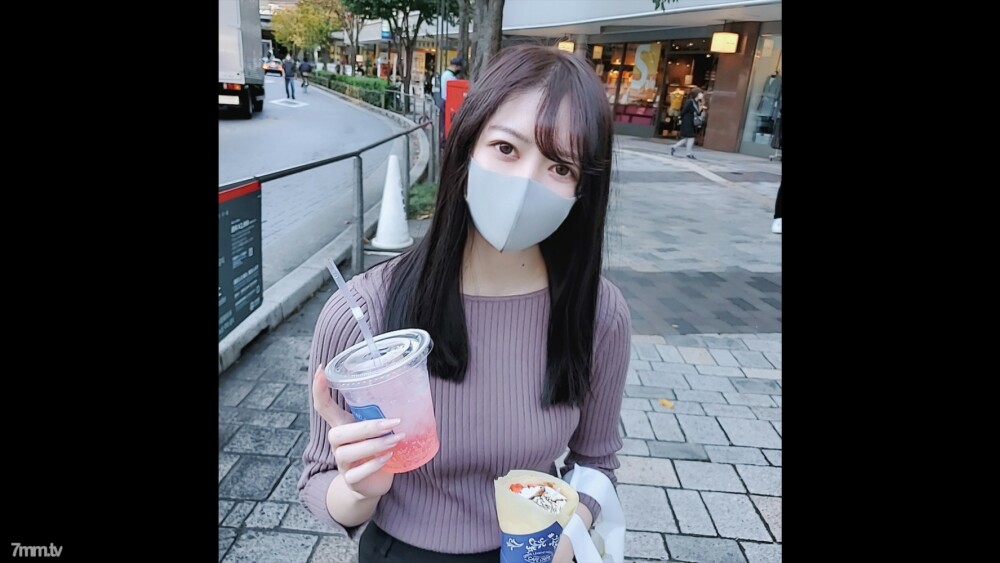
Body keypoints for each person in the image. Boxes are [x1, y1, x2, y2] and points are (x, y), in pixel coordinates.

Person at [298, 44, 632, 563]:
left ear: (581, 190)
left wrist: (565, 540)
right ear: (465, 147)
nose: (526, 183)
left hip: (532, 551)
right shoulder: (363, 310)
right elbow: (319, 483)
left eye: (560, 166)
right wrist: (360, 487)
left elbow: (595, 462)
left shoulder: (597, 313)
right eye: (506, 148)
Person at [669, 87, 705, 159]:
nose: (702, 95)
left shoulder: (698, 103)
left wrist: (701, 109)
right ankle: (688, 153)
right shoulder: (690, 102)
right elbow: (683, 111)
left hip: (692, 122)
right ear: (697, 94)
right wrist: (680, 119)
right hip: (687, 122)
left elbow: (697, 114)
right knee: (691, 137)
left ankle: (674, 147)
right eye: (700, 93)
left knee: (687, 138)